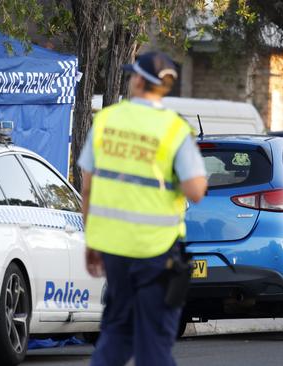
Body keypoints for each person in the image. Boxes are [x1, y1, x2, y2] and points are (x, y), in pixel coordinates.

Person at [78, 51, 208, 366]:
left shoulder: (107, 120)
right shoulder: (175, 130)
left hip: (113, 248)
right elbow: (196, 190)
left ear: (138, 80)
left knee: (117, 333)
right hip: (157, 250)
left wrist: (92, 242)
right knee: (154, 343)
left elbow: (87, 187)